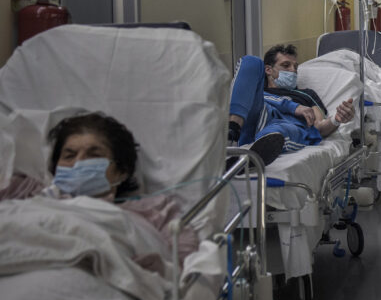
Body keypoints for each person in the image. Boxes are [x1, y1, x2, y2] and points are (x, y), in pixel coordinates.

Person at [0, 111, 199, 262]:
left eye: (94, 155)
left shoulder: (153, 211)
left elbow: (180, 263)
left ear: (121, 171)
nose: (78, 162)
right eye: (69, 155)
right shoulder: (28, 192)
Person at [228, 44, 355, 166]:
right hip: (259, 114)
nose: (293, 70)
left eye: (295, 67)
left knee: (276, 134)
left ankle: (252, 155)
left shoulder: (306, 94)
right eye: (286, 65)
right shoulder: (257, 91)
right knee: (251, 61)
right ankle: (232, 130)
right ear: (268, 70)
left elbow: (319, 127)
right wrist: (292, 107)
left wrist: (336, 119)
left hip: (287, 125)